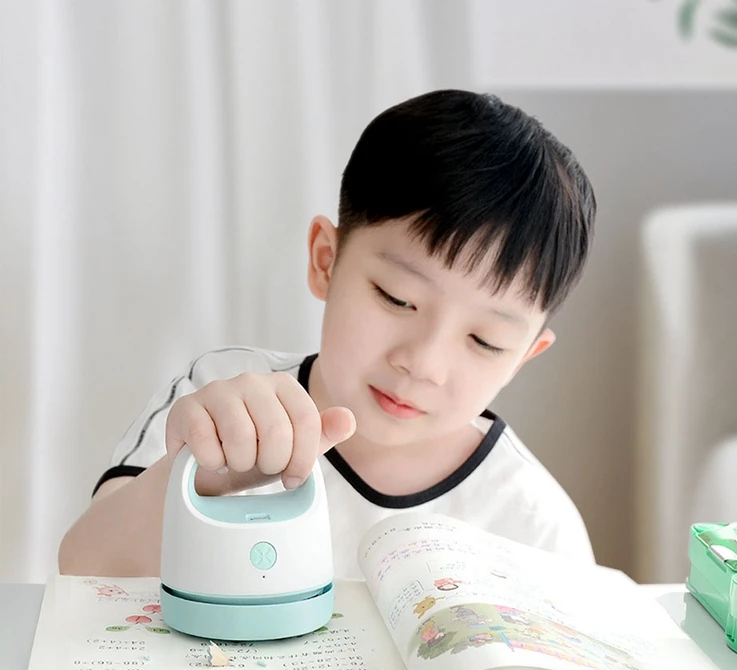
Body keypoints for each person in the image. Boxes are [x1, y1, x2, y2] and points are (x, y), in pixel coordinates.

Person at [58, 89, 597, 580]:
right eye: (397, 298)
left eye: (485, 341)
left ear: (524, 356)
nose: (423, 363)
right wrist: (204, 478)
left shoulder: (532, 524)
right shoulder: (220, 397)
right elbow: (84, 567)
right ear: (326, 261)